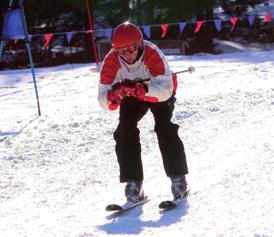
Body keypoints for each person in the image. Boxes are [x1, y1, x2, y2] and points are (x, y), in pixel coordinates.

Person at [98, 22, 188, 203]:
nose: (127, 55)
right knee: (124, 129)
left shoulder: (152, 53)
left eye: (131, 49)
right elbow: (103, 101)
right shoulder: (111, 61)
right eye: (121, 51)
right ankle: (134, 182)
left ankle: (178, 178)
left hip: (158, 92)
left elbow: (166, 91)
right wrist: (115, 94)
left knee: (164, 127)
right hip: (132, 93)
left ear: (139, 44)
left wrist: (143, 89)